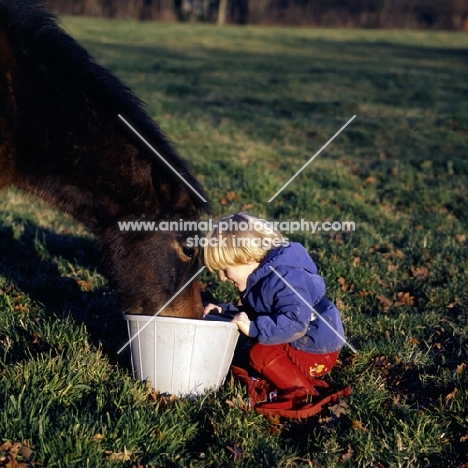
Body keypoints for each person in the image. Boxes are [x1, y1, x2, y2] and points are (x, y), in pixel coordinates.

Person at [203, 213, 346, 404]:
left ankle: (300, 391)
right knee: (251, 347)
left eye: (224, 269)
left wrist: (255, 329)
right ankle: (280, 378)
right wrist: (225, 312)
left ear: (245, 257)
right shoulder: (260, 278)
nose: (222, 278)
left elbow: (296, 323)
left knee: (260, 353)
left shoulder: (284, 278)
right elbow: (258, 312)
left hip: (315, 351)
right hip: (303, 343)